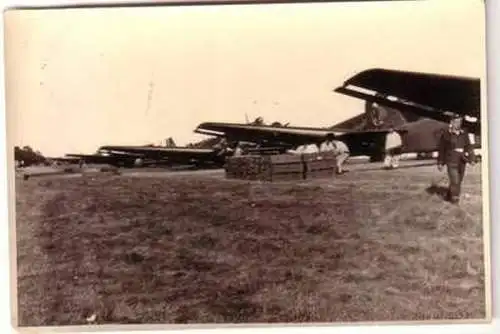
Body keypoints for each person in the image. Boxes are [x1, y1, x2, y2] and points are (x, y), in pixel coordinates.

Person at [437, 114, 476, 204]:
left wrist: (472, 159)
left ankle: (448, 195)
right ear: (451, 122)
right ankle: (455, 200)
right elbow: (442, 149)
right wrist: (440, 162)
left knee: (459, 180)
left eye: (460, 122)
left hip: (462, 160)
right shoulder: (446, 134)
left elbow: (468, 147)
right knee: (455, 180)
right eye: (456, 122)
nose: (458, 124)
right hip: (451, 160)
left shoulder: (464, 133)